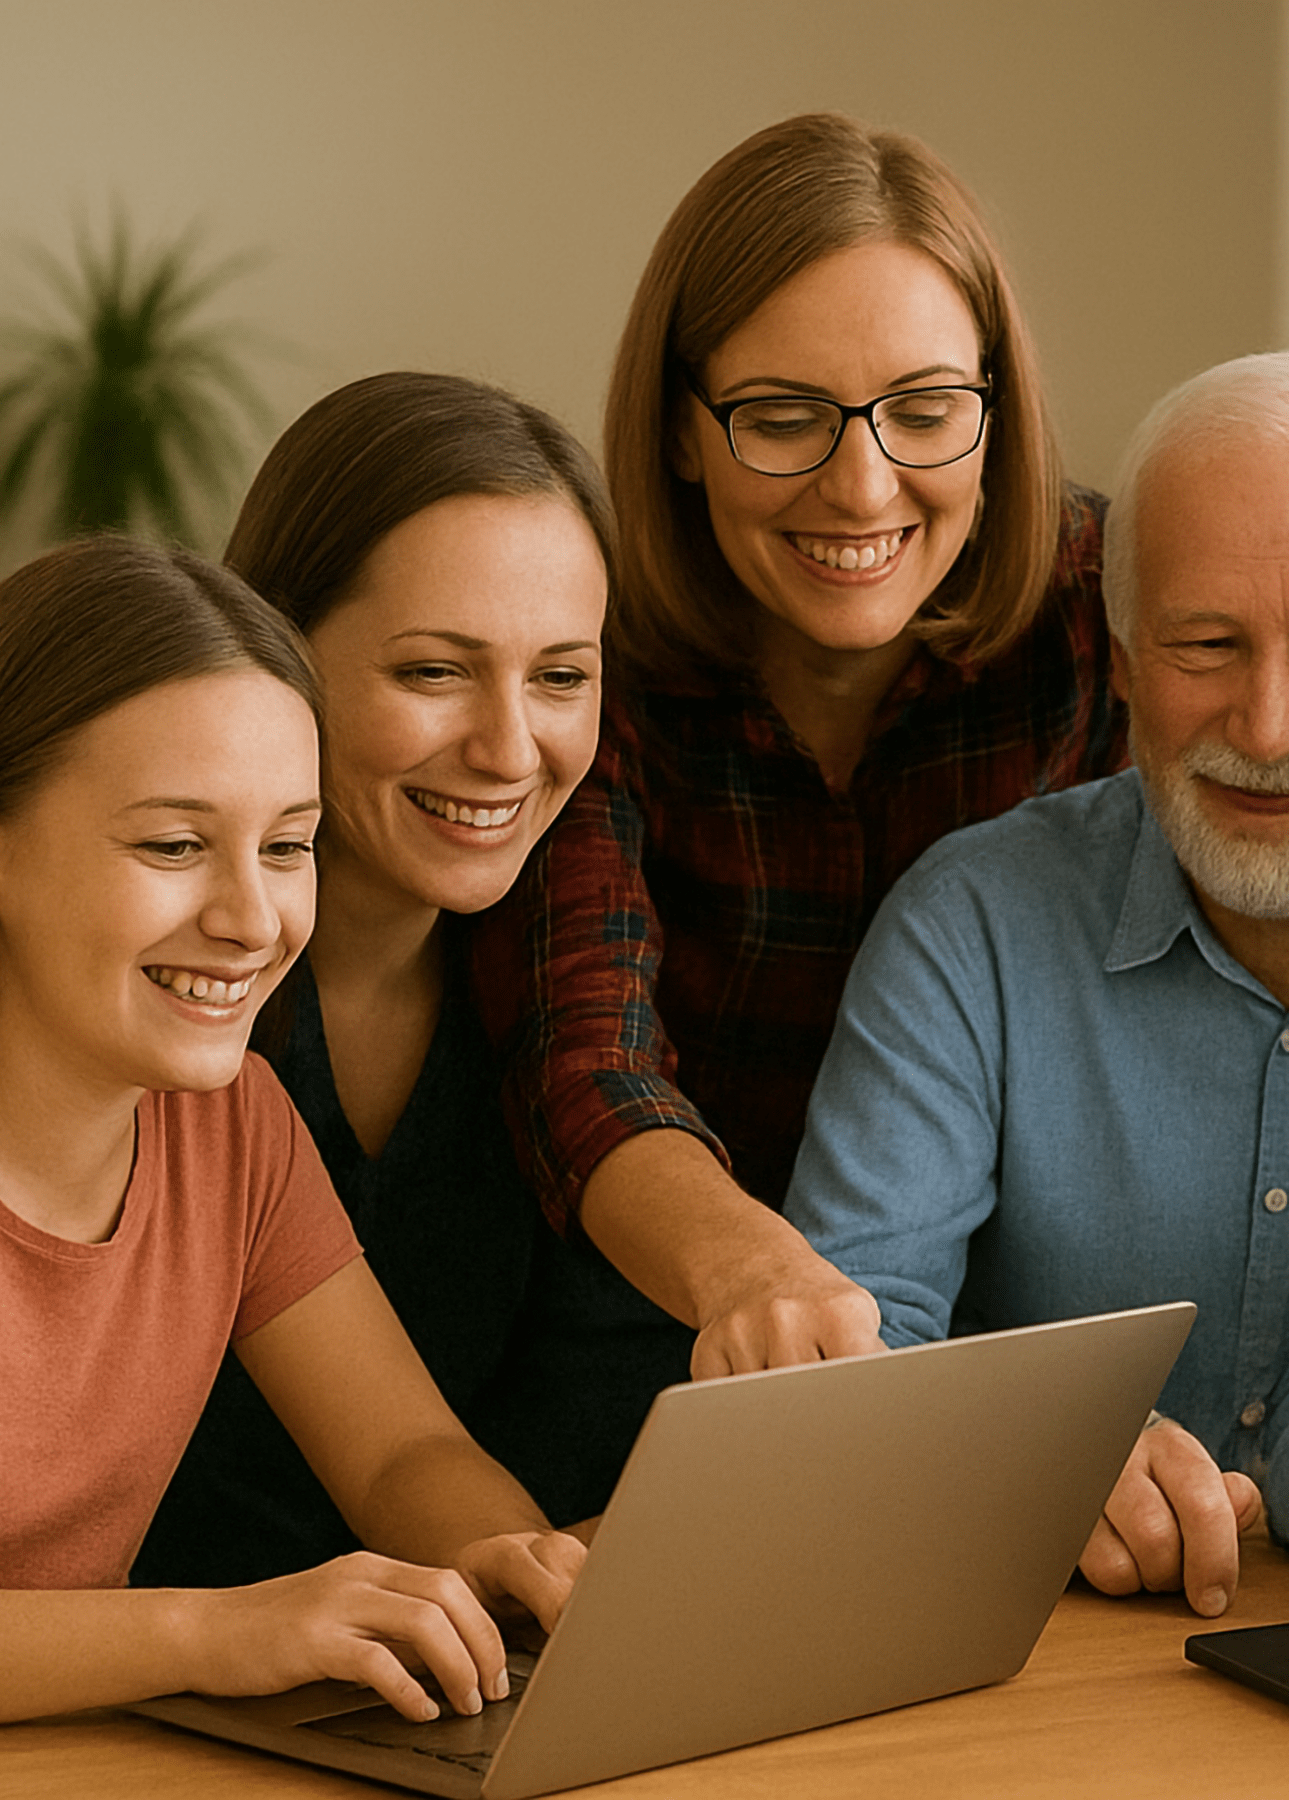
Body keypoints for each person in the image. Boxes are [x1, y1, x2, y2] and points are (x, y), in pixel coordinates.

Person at [476, 111, 1127, 1379]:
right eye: (782, 417)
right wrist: (760, 1276)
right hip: (656, 1322)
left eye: (927, 409)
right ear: (679, 428)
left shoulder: (1110, 609)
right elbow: (585, 1054)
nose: (864, 487)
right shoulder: (582, 649)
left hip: (1006, 1332)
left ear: (992, 409)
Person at [787, 350, 1289, 1625]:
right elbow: (847, 1352)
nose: (1271, 723)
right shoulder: (971, 929)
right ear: (1121, 665)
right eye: (1206, 645)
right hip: (1021, 1667)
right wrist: (1017, 1455)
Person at [0, 536, 584, 1729]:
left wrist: (511, 1557)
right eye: (174, 845)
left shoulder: (231, 1125)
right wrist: (213, 1627)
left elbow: (400, 1451)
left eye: (288, 845)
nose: (253, 920)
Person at [135, 373, 691, 1588]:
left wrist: (546, 1582)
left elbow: (410, 1458)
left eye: (560, 677)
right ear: (273, 649)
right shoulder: (150, 1000)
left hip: (412, 1686)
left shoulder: (573, 991)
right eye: (435, 672)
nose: (507, 750)